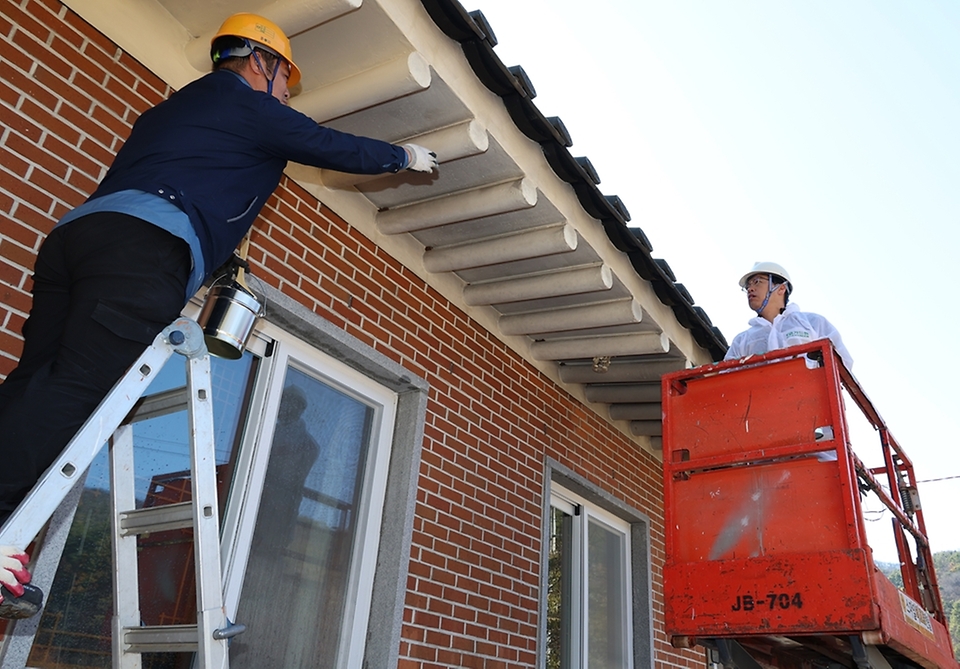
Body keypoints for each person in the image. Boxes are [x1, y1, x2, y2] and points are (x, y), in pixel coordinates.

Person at [0, 13, 437, 616]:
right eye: (286, 81)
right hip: (143, 250)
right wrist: (404, 155)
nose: (286, 94)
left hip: (77, 241)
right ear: (261, 62)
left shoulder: (169, 113)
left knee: (37, 383)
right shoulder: (245, 102)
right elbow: (327, 146)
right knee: (82, 392)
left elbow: (193, 174)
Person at [724, 261, 853, 370]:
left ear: (781, 288)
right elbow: (726, 377)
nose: (750, 289)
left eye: (757, 282)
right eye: (748, 286)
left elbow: (842, 364)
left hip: (809, 398)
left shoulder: (813, 323)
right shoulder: (743, 340)